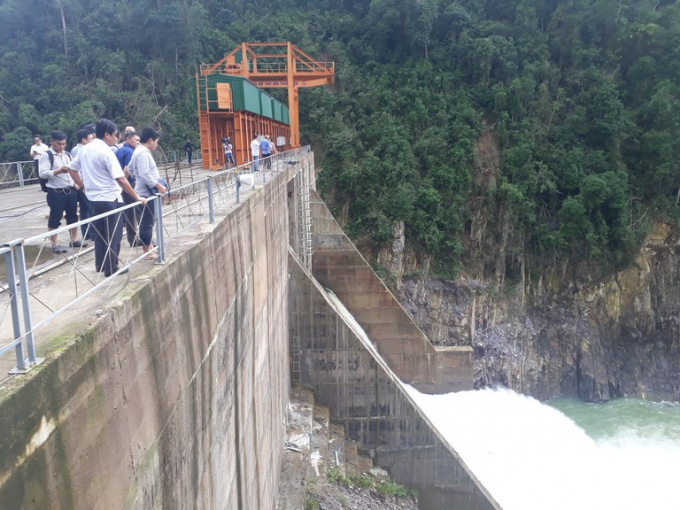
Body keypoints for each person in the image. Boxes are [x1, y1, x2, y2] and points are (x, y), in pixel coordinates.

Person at [65, 119, 146, 277]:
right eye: (116, 134)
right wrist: (136, 196)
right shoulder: (106, 152)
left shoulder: (86, 149)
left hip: (94, 198)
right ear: (107, 134)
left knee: (101, 234)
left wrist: (83, 186)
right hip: (109, 198)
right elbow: (120, 178)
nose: (117, 138)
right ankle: (111, 268)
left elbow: (71, 169)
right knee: (113, 234)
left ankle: (101, 264)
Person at [39, 131, 88, 253]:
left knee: (73, 216)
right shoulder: (46, 155)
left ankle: (73, 240)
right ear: (52, 142)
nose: (61, 146)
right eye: (58, 144)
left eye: (63, 144)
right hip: (56, 192)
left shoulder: (67, 155)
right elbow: (42, 174)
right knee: (55, 217)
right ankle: (54, 244)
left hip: (70, 190)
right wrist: (59, 171)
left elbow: (75, 170)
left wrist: (77, 183)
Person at [129, 127, 167, 259]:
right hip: (146, 193)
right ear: (150, 140)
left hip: (144, 191)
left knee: (149, 221)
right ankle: (147, 251)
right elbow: (144, 174)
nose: (156, 144)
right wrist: (159, 186)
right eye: (156, 141)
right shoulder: (142, 153)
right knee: (147, 223)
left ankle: (149, 246)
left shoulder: (138, 151)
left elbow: (130, 169)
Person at [115, 131, 141, 247]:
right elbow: (127, 170)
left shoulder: (118, 150)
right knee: (133, 212)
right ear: (128, 139)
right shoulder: (130, 151)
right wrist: (124, 184)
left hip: (119, 184)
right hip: (128, 183)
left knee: (127, 212)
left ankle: (132, 238)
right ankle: (134, 239)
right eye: (136, 140)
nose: (138, 143)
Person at [71, 126, 96, 240]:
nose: (92, 141)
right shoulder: (79, 150)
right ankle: (92, 233)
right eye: (90, 139)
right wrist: (80, 184)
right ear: (83, 140)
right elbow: (77, 168)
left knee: (84, 209)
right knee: (90, 208)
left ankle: (87, 233)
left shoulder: (80, 149)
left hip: (82, 183)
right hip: (83, 184)